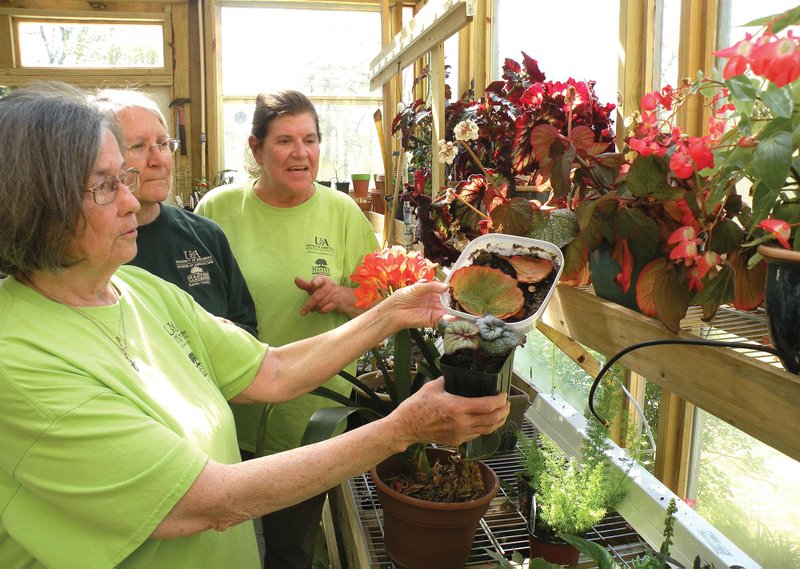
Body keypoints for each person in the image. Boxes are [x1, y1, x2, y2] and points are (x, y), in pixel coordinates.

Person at [0, 82, 509, 569]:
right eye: (107, 186)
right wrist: (402, 429)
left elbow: (270, 370)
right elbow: (208, 500)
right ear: (40, 205)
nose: (133, 200)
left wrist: (394, 310)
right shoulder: (20, 362)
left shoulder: (137, 290)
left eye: (124, 179)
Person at [195, 91, 379, 567]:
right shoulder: (219, 210)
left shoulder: (343, 213)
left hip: (311, 418)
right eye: (285, 141)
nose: (301, 153)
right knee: (217, 544)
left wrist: (343, 297)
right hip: (226, 413)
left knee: (290, 548)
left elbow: (386, 300)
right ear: (256, 150)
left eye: (310, 139)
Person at [91, 89, 258, 337]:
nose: (159, 159)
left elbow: (247, 328)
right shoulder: (89, 246)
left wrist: (224, 341)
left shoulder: (205, 235)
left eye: (163, 144)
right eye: (139, 146)